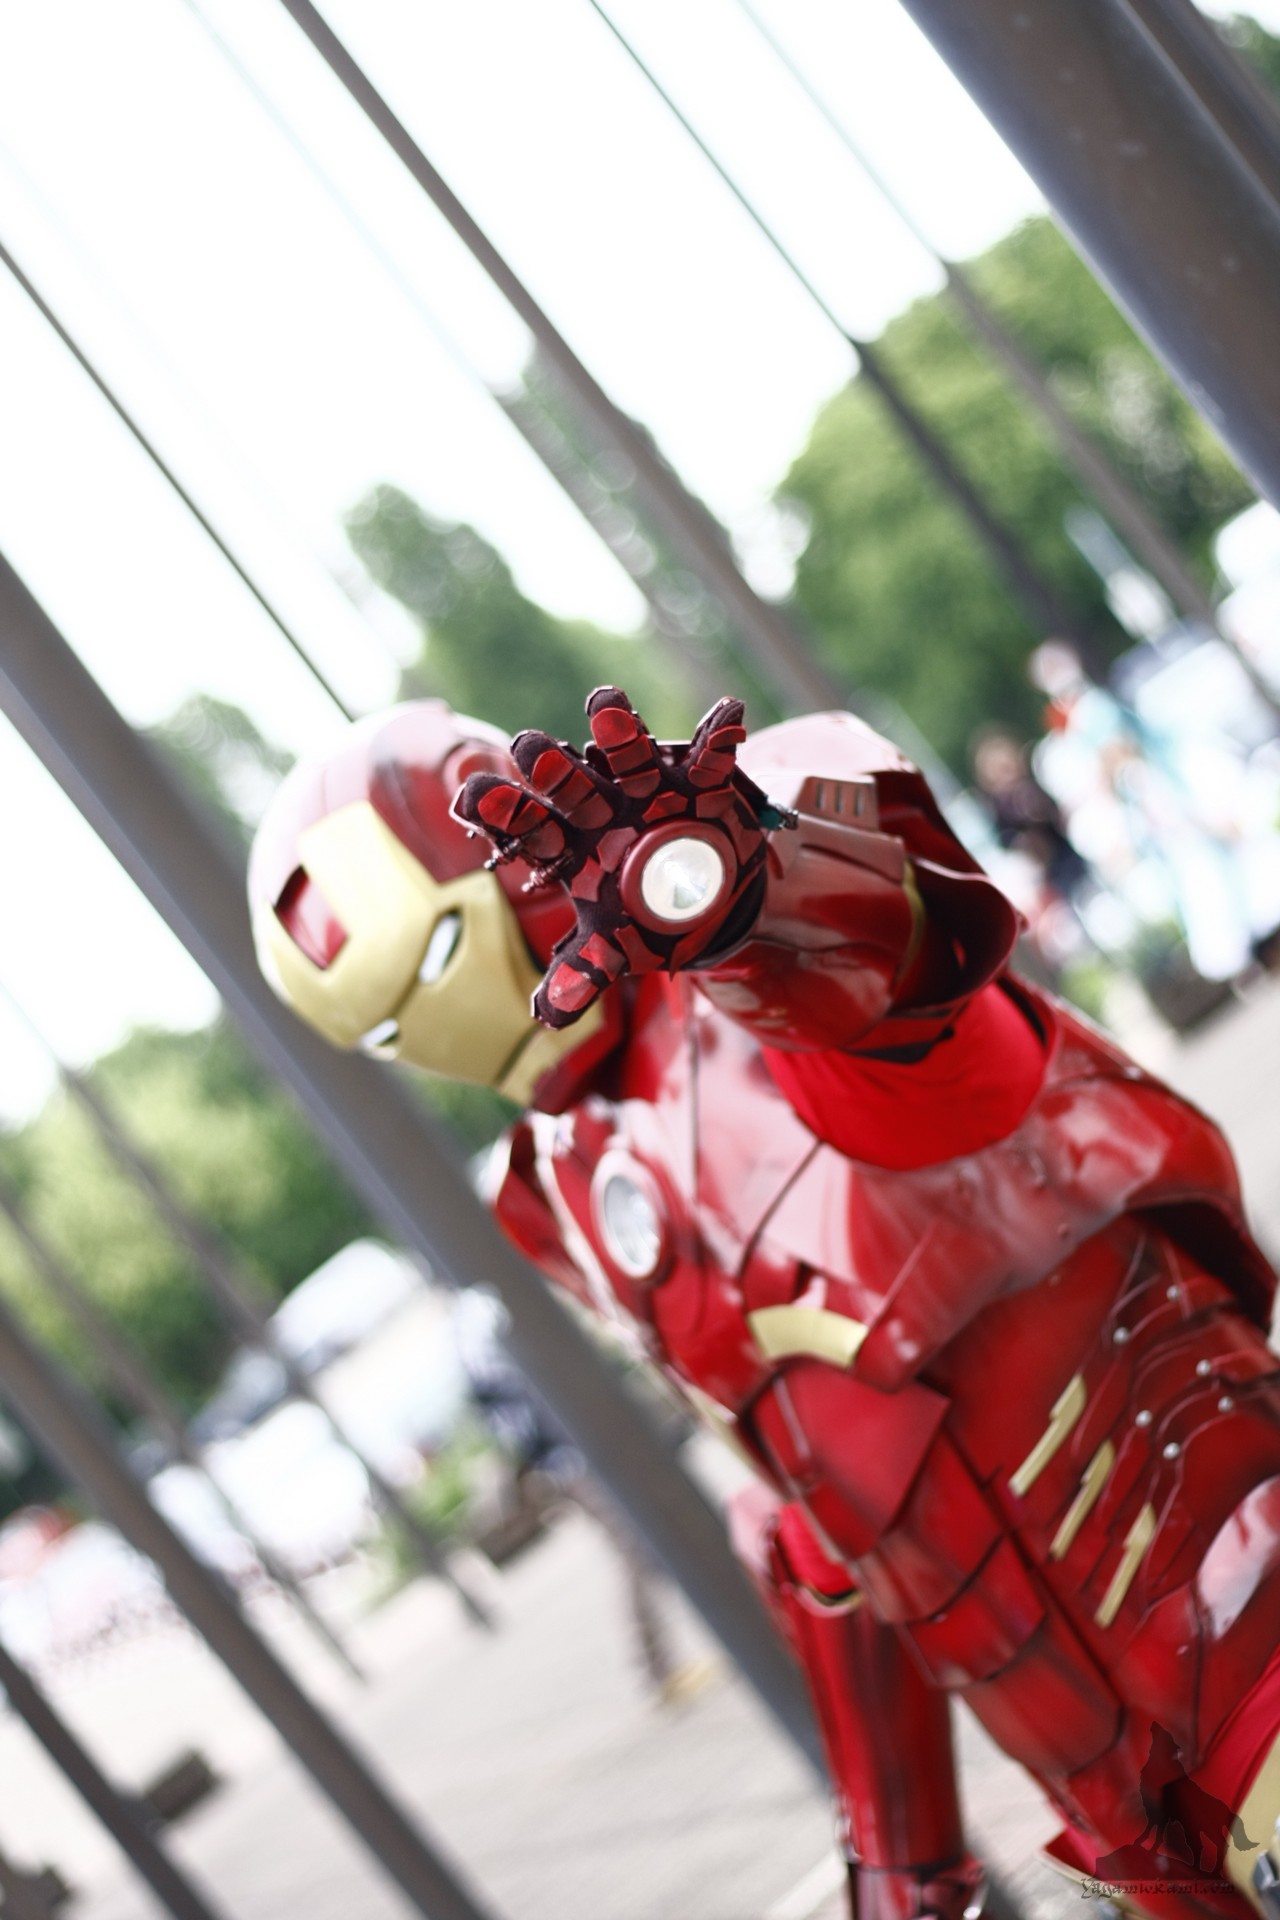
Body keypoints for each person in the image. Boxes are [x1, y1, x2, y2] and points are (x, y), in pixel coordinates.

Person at [249, 688, 1280, 1920]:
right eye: (384, 1030)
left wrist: (739, 892)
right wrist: (900, 1858)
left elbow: (899, 970)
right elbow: (838, 1512)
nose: (434, 1032)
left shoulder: (755, 927)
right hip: (1119, 1798)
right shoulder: (563, 1186)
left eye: (432, 965)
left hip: (1227, 1575)